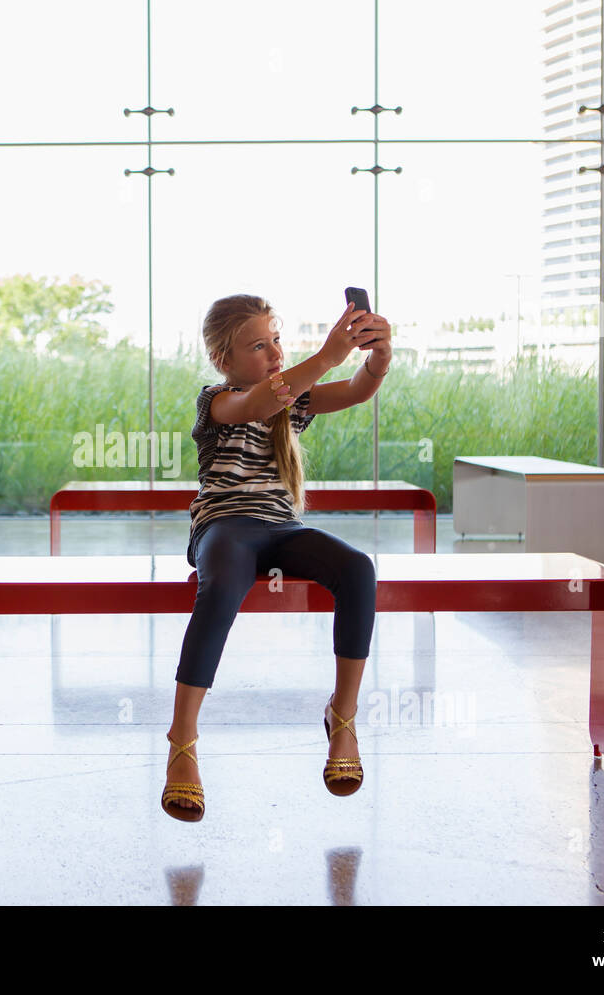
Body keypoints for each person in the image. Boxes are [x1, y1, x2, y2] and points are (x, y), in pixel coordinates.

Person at [160, 293, 393, 822]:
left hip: (282, 528)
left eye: (276, 340)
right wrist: (329, 355)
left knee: (358, 569)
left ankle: (343, 717)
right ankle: (182, 738)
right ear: (225, 360)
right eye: (258, 345)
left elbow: (358, 390)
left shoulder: (294, 398)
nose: (273, 352)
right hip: (225, 528)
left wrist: (376, 358)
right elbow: (260, 402)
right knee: (221, 584)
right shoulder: (216, 400)